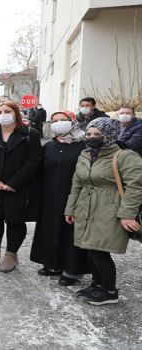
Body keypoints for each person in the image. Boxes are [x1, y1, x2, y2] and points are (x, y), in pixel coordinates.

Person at [65, 117, 142, 305]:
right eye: (89, 133)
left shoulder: (125, 156)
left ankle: (109, 290)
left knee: (99, 249)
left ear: (110, 135)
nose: (92, 137)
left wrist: (127, 214)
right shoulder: (85, 154)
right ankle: (97, 284)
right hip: (86, 205)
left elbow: (135, 186)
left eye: (97, 134)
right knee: (89, 247)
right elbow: (76, 184)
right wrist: (71, 208)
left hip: (110, 207)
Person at [0, 101, 42, 272]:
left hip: (17, 187)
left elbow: (34, 161)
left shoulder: (29, 134)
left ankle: (11, 255)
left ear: (16, 114)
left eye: (8, 111)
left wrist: (14, 183)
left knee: (15, 220)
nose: (3, 114)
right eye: (0, 112)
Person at [30, 111, 89, 286]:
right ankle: (52, 264)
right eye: (55, 121)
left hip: (73, 195)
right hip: (49, 196)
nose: (59, 123)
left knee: (70, 232)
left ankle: (72, 270)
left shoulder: (83, 145)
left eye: (63, 120)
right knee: (50, 229)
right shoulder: (49, 145)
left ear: (73, 122)